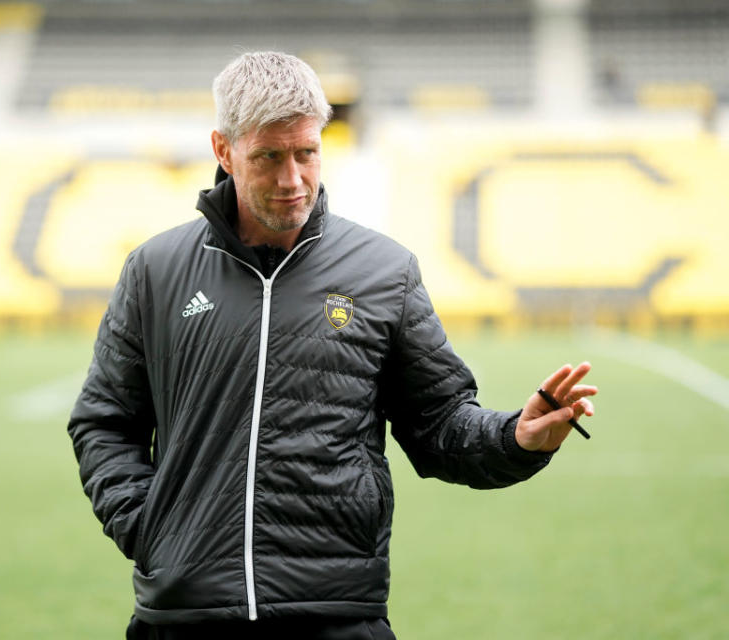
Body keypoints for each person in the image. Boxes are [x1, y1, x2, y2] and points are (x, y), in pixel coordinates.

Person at [67, 51, 597, 640]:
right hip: (185, 612)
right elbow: (104, 422)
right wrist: (149, 527)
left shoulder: (383, 272)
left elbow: (439, 421)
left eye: (307, 152)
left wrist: (514, 438)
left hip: (338, 613)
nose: (292, 178)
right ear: (223, 149)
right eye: (269, 156)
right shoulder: (155, 271)